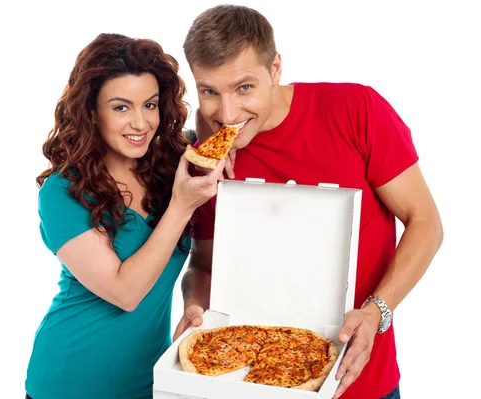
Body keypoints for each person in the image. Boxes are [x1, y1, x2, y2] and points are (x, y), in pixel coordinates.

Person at [173, 5, 443, 399]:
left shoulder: (357, 110)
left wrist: (376, 313)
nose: (227, 114)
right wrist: (195, 306)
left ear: (276, 68)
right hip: (246, 382)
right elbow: (203, 263)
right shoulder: (207, 160)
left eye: (244, 87)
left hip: (362, 382)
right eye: (209, 91)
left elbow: (425, 222)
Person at [25, 33, 225, 399]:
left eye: (150, 105)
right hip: (70, 381)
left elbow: (227, 125)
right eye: (121, 107)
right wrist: (181, 206)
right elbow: (125, 292)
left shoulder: (172, 166)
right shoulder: (61, 192)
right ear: (91, 110)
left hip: (151, 380)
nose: (140, 123)